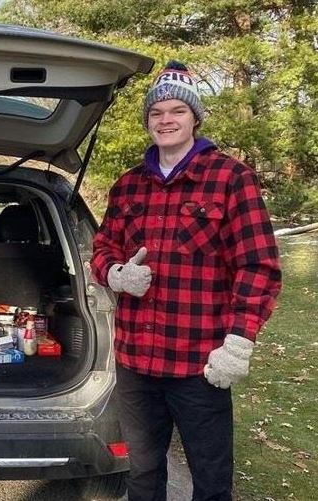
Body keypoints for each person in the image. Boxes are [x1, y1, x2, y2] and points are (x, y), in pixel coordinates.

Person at [91, 61, 282, 501]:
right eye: (156, 113)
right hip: (136, 361)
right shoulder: (128, 187)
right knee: (142, 474)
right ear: (147, 121)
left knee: (211, 481)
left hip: (200, 363)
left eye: (176, 111)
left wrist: (239, 341)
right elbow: (100, 250)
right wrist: (116, 274)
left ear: (195, 117)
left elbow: (259, 266)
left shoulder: (232, 178)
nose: (166, 120)